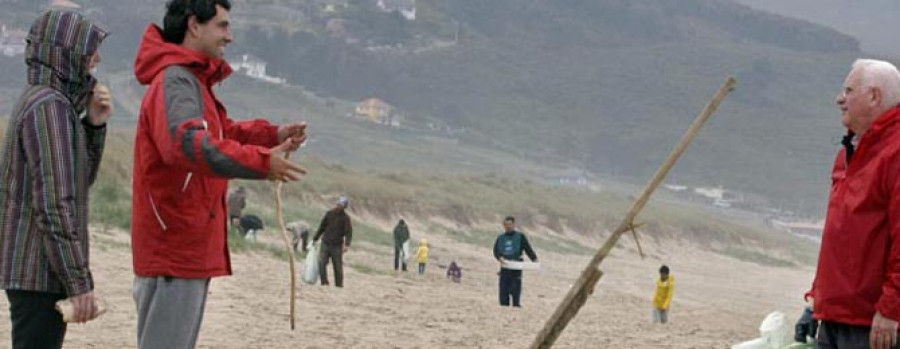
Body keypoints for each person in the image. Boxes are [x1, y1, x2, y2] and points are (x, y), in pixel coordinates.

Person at [130, 1, 307, 348]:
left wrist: (273, 135)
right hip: (174, 245)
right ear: (194, 25)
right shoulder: (177, 80)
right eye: (223, 26)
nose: (230, 36)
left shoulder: (190, 80)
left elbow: (220, 131)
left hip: (186, 244)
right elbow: (187, 144)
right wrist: (261, 162)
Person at [0, 10, 111, 348]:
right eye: (89, 48)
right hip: (37, 270)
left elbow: (76, 185)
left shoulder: (49, 102)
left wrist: (93, 124)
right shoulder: (50, 108)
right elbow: (55, 205)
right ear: (66, 51)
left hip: (36, 269)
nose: (97, 58)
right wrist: (79, 284)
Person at [806, 59, 900, 349]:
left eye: (848, 91)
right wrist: (816, 301)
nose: (839, 99)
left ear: (874, 96)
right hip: (835, 318)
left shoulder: (895, 152)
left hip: (871, 325)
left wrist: (890, 308)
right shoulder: (850, 150)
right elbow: (842, 236)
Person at [493, 216, 538, 307]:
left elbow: (528, 249)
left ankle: (516, 305)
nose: (508, 226)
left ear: (513, 225)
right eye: (506, 225)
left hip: (517, 266)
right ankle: (504, 305)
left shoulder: (520, 237)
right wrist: (499, 258)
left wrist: (534, 259)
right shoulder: (501, 238)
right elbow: (495, 250)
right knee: (503, 288)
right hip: (505, 266)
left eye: (510, 224)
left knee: (515, 287)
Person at [312, 195, 353, 287]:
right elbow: (322, 227)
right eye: (338, 204)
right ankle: (324, 282)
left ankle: (339, 285)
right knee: (321, 263)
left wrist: (347, 244)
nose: (338, 206)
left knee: (338, 267)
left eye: (341, 205)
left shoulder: (346, 218)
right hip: (326, 242)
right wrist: (315, 238)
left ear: (344, 207)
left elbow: (349, 232)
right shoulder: (329, 214)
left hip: (337, 245)